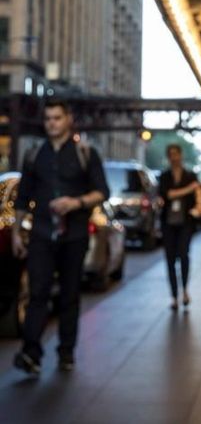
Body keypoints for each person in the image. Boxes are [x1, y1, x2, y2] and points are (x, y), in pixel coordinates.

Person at [11, 100, 109, 375]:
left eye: (57, 118)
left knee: (69, 295)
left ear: (69, 119)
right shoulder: (34, 155)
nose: (52, 123)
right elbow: (22, 197)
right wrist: (18, 233)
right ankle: (31, 353)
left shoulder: (85, 153)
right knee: (37, 292)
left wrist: (75, 202)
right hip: (41, 234)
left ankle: (66, 352)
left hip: (74, 235)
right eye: (48, 119)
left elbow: (103, 192)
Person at [158, 143, 199, 310]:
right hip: (168, 223)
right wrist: (188, 189)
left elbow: (197, 194)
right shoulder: (165, 176)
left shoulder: (190, 175)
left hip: (185, 222)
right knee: (170, 259)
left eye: (177, 154)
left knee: (184, 255)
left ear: (181, 155)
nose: (174, 157)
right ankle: (174, 295)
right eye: (171, 154)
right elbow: (167, 194)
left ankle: (185, 290)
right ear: (169, 157)